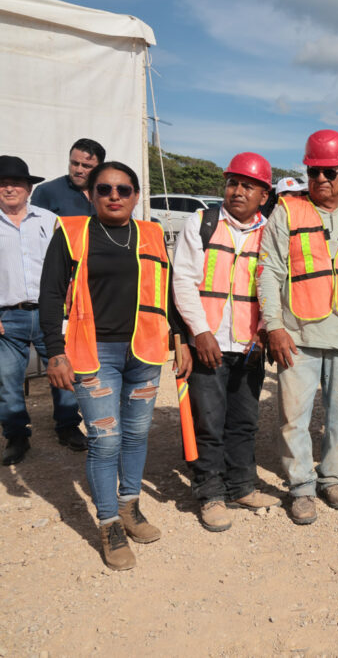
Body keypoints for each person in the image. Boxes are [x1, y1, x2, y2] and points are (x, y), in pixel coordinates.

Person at [40, 161, 192, 571]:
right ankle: (108, 523)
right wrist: (55, 352)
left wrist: (180, 339)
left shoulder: (152, 234)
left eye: (123, 190)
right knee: (105, 441)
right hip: (93, 354)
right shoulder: (72, 233)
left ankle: (129, 507)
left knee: (137, 434)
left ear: (136, 196)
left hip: (144, 351)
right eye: (104, 189)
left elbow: (167, 290)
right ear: (90, 195)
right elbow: (51, 296)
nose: (114, 196)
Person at [258, 129, 338, 525]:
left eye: (331, 173)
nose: (322, 181)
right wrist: (273, 326)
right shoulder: (287, 211)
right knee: (294, 416)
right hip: (297, 334)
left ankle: (332, 477)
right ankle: (300, 487)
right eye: (315, 173)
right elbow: (269, 272)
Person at [172, 153, 281, 532]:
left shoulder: (270, 231)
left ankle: (241, 486)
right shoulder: (201, 223)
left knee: (245, 421)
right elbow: (183, 279)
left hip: (250, 344)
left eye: (248, 186)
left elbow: (275, 285)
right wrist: (198, 332)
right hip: (210, 341)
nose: (237, 191)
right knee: (210, 422)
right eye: (233, 183)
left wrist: (268, 328)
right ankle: (211, 493)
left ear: (263, 195)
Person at [0, 156, 83, 465]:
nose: (9, 189)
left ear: (29, 188)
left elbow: (71, 266)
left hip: (52, 314)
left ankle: (68, 426)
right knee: (8, 380)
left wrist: (71, 304)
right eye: (3, 184)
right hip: (8, 317)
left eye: (16, 183)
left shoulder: (49, 221)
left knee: (63, 372)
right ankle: (17, 435)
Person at [31, 138, 106, 217]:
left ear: (100, 167)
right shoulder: (46, 191)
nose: (79, 170)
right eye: (75, 163)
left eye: (86, 166)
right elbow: (36, 227)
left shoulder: (110, 191)